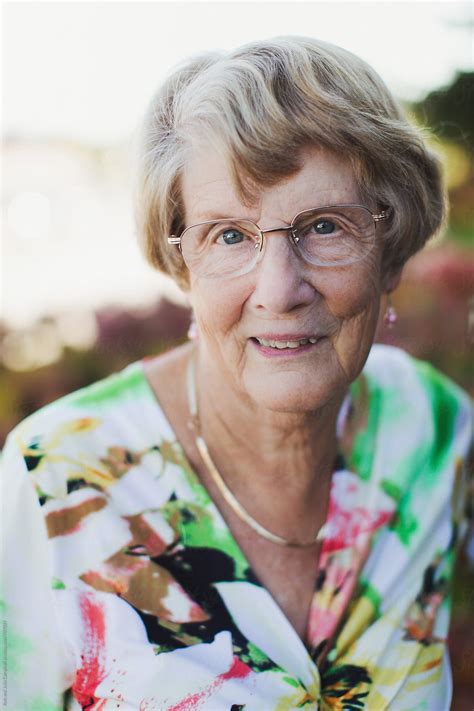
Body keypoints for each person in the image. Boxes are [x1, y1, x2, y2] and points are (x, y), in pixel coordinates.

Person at [2, 36, 472, 710]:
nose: (279, 289)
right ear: (183, 264)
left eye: (325, 226)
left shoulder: (433, 427)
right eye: (229, 234)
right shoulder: (55, 480)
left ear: (391, 251)